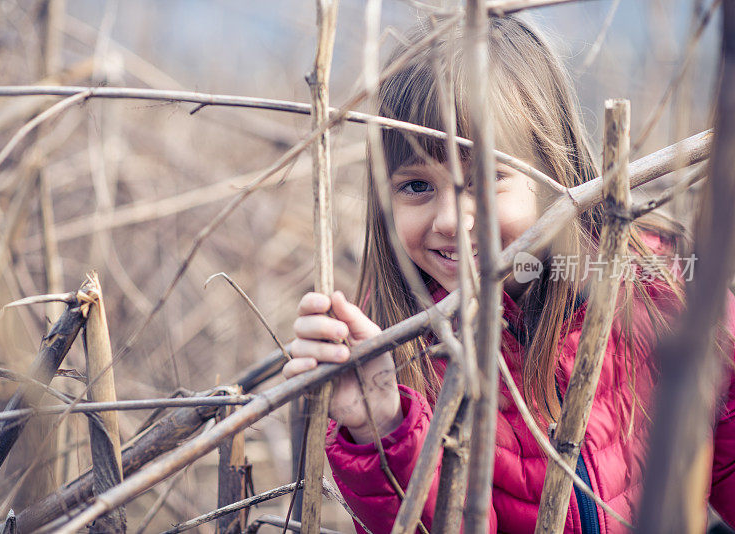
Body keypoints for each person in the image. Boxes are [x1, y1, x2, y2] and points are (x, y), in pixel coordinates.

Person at [282, 15, 735, 534]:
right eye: (415, 186)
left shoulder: (656, 284)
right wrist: (383, 428)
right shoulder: (404, 351)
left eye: (486, 178)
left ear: (551, 176)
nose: (451, 220)